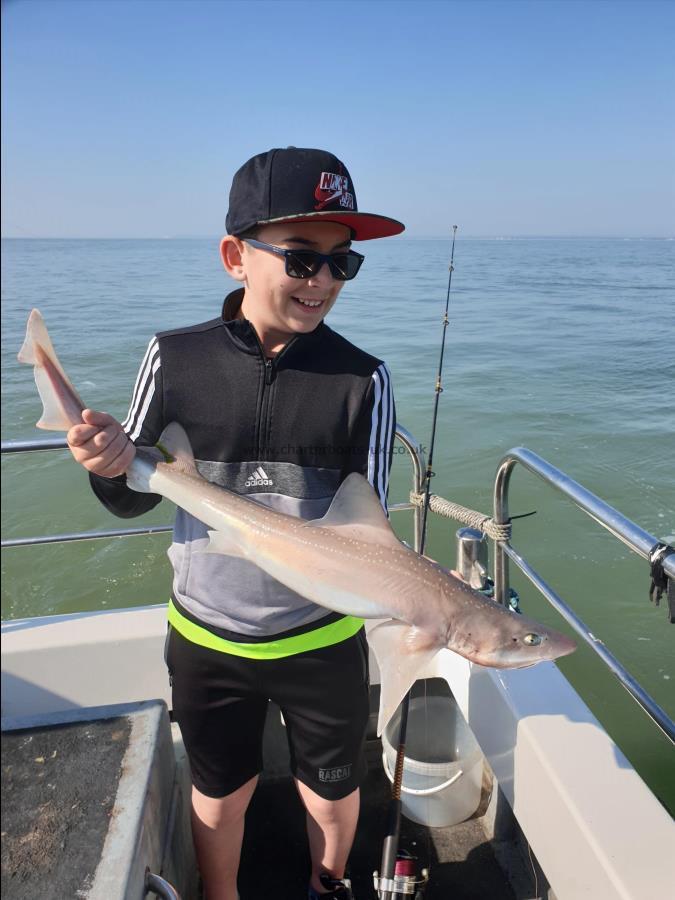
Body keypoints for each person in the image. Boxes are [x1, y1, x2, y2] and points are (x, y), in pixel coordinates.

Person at [66, 147, 405, 900]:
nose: (321, 281)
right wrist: (105, 466)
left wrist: (429, 610)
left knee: (332, 789)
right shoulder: (173, 358)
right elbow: (134, 495)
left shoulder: (363, 379)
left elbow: (368, 537)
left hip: (322, 639)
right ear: (234, 256)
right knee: (219, 795)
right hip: (206, 636)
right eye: (300, 258)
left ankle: (326, 884)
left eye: (340, 265)